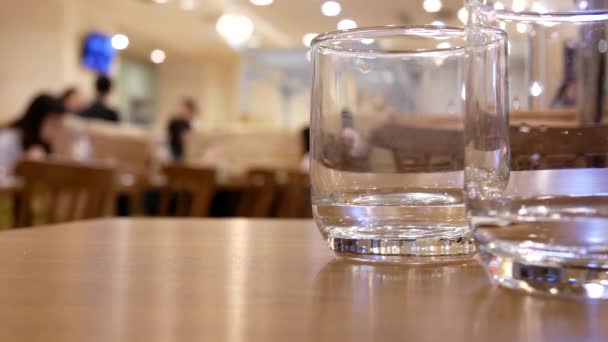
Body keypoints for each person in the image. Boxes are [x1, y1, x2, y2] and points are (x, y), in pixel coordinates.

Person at [0, 94, 66, 169]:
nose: (56, 128)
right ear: (37, 119)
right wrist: (24, 164)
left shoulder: (44, 141)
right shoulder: (9, 139)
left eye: (59, 123)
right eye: (53, 122)